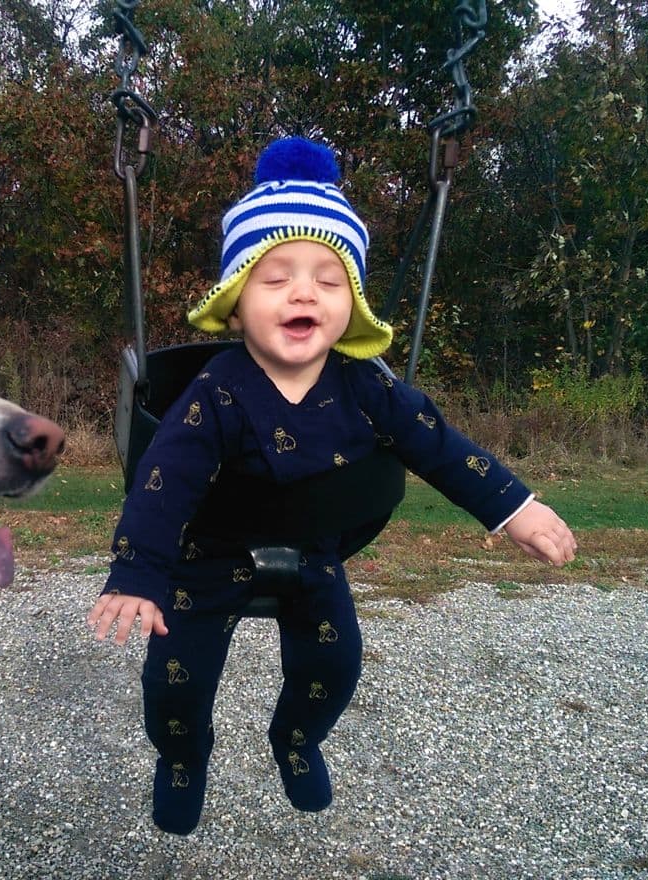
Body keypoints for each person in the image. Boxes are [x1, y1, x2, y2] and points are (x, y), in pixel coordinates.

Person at [86, 136, 577, 835]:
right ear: (234, 305)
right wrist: (137, 571)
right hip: (206, 557)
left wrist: (514, 509)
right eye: (276, 276)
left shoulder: (369, 387)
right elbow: (163, 484)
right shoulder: (213, 392)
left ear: (350, 304)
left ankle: (297, 740)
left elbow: (440, 448)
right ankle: (182, 758)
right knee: (177, 684)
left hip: (314, 554)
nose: (303, 292)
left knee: (335, 664)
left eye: (327, 278)